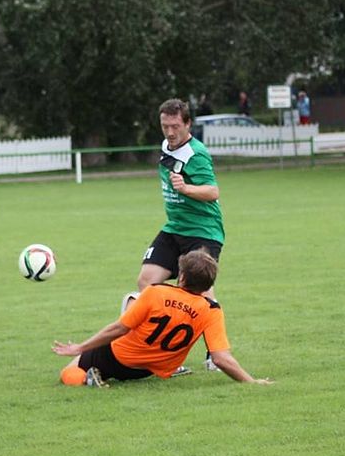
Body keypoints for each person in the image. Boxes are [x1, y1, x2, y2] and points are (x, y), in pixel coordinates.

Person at [52, 250, 271, 386]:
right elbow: (221, 358)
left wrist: (81, 347)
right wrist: (252, 381)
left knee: (69, 373)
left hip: (118, 357)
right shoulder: (212, 310)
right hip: (149, 370)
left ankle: (89, 379)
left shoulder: (156, 292)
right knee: (132, 298)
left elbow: (119, 328)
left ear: (182, 277)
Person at [132, 98, 224, 373]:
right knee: (146, 281)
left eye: (175, 126)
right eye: (165, 126)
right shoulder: (166, 146)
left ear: (188, 124)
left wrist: (185, 189)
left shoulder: (197, 154)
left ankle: (215, 355)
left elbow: (213, 192)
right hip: (175, 228)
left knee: (201, 291)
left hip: (203, 231)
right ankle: (163, 353)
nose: (170, 132)